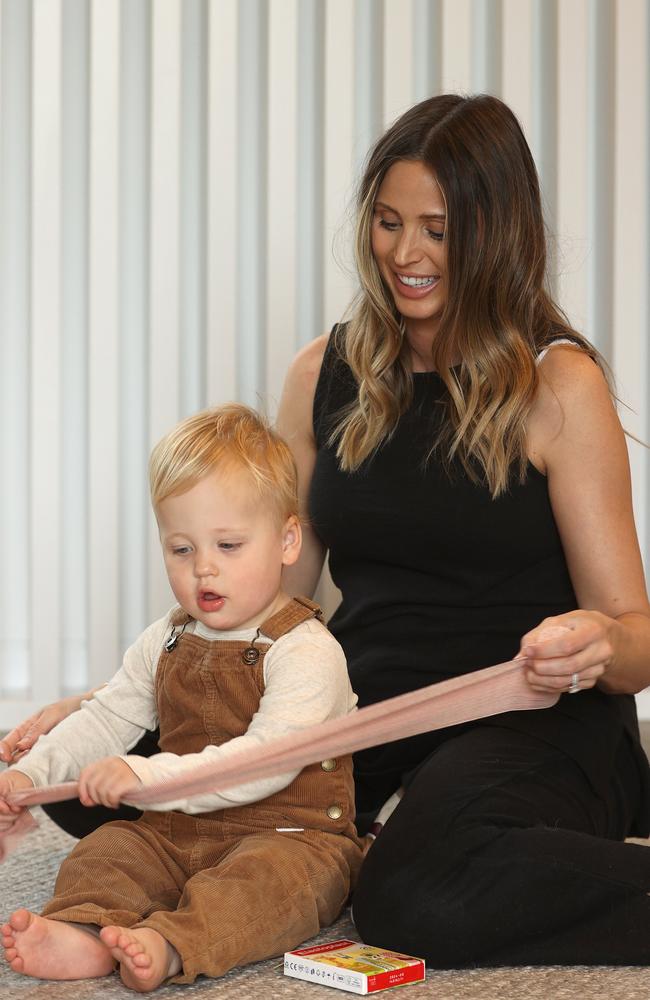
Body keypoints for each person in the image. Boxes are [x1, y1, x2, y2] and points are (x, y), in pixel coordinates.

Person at [4, 92, 650, 967]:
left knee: (413, 894)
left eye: (438, 228)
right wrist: (115, 709)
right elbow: (270, 598)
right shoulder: (323, 372)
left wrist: (593, 644)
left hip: (528, 717)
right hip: (363, 709)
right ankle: (383, 819)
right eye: (388, 223)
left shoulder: (556, 384)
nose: (407, 254)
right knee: (91, 784)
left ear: (496, 234)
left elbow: (636, 633)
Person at [0, 403, 364, 990]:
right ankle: (86, 932)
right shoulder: (167, 638)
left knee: (266, 889)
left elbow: (263, 762)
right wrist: (29, 775)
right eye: (182, 550)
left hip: (289, 838)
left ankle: (171, 945)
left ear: (287, 541)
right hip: (176, 829)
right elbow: (107, 715)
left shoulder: (307, 651)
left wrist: (144, 777)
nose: (205, 571)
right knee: (109, 850)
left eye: (228, 545)